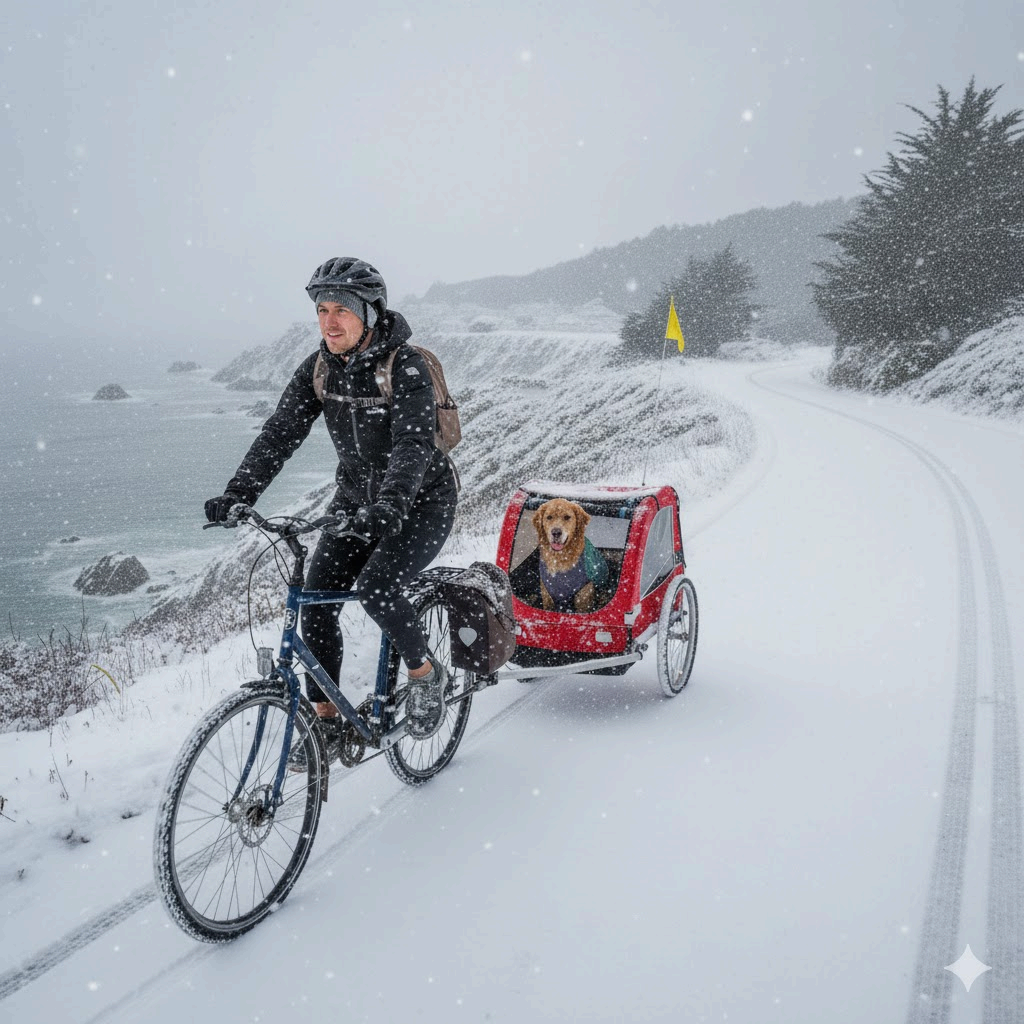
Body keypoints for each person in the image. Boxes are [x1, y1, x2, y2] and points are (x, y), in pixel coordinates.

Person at [204, 257, 459, 759]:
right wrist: (240, 493)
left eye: (342, 309)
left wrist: (391, 503)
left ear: (369, 313)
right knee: (316, 606)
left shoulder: (404, 366)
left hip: (421, 502)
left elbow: (413, 445)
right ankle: (324, 723)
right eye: (322, 310)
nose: (329, 321)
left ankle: (426, 674)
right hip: (354, 504)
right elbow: (280, 433)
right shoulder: (320, 369)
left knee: (376, 587)